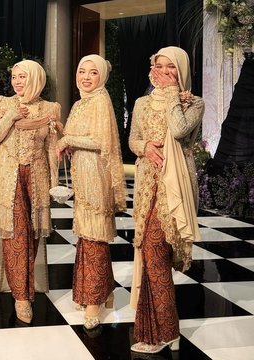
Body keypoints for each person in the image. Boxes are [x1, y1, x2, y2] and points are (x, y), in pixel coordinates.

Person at [129, 46, 204, 353]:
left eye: (170, 68)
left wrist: (173, 93)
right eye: (159, 66)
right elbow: (132, 138)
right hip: (148, 185)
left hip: (176, 186)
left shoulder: (193, 103)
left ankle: (166, 331)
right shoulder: (141, 103)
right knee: (149, 254)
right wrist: (145, 147)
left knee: (156, 251)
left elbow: (180, 129)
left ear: (181, 72)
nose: (163, 72)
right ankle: (156, 329)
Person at [0, 60, 62, 324]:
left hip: (36, 178)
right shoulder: (4, 103)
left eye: (23, 77)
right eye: (15, 77)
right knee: (15, 234)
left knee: (32, 237)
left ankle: (27, 288)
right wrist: (10, 117)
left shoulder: (50, 108)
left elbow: (51, 147)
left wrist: (53, 182)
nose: (17, 82)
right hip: (7, 177)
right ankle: (20, 297)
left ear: (36, 79)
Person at [57, 55, 126, 330]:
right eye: (82, 71)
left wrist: (68, 139)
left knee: (95, 235)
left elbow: (101, 141)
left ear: (102, 77)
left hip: (96, 177)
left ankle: (94, 302)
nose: (86, 77)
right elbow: (76, 136)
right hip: (82, 176)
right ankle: (101, 291)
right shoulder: (79, 104)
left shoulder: (100, 101)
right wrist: (61, 135)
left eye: (93, 72)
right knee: (86, 236)